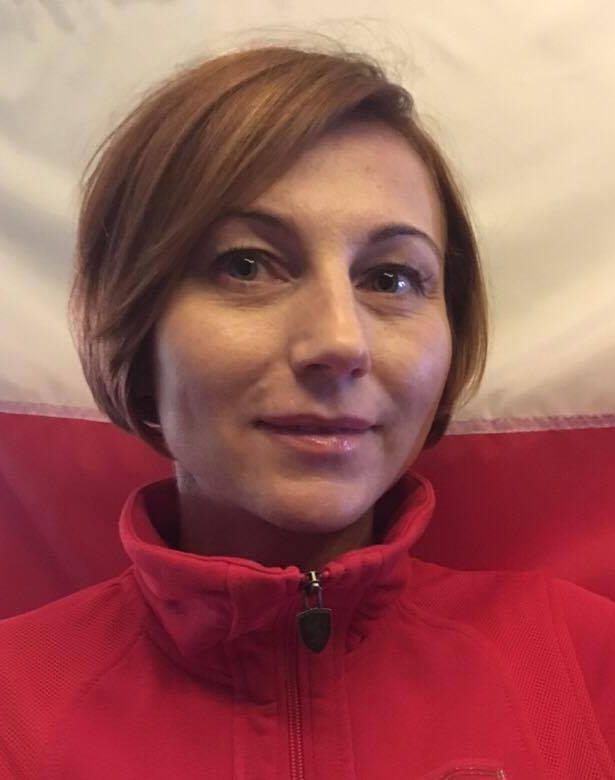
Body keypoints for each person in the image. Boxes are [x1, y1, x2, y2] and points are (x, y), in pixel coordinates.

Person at [1, 41, 614, 780]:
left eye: (391, 278)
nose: (339, 342)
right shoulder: (14, 705)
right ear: (134, 322)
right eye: (246, 265)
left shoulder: (587, 662)